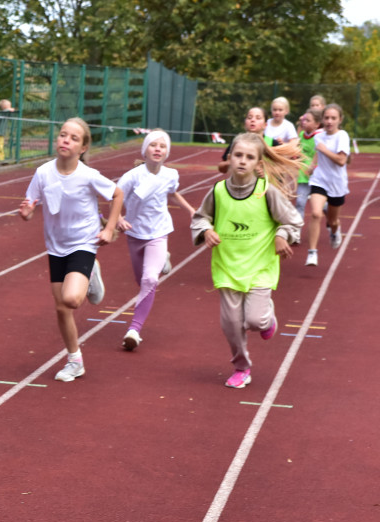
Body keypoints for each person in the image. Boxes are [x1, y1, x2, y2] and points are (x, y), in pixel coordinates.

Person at [190, 133, 303, 388]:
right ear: (230, 158)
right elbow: (200, 217)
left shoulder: (266, 192)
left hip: (261, 267)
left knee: (255, 321)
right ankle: (241, 367)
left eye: (249, 157)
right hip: (227, 268)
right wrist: (206, 231)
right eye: (238, 155)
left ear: (258, 164)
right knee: (230, 325)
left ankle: (268, 319)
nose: (242, 161)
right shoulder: (218, 192)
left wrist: (282, 235)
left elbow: (293, 220)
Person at [18, 117, 123, 382]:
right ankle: (75, 360)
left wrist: (109, 229)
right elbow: (31, 203)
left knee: (72, 299)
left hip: (83, 243)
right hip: (55, 246)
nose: (66, 140)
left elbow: (117, 194)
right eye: (63, 135)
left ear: (83, 147)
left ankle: (89, 273)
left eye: (74, 138)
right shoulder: (43, 172)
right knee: (62, 308)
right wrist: (28, 211)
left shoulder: (87, 176)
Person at [115, 130, 196, 350]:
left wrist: (190, 210)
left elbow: (173, 193)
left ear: (167, 152)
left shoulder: (170, 175)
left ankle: (134, 329)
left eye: (162, 146)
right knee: (140, 281)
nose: (158, 149)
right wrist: (119, 219)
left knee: (150, 280)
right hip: (135, 234)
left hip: (159, 232)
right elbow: (115, 198)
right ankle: (162, 260)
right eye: (153, 145)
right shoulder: (133, 176)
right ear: (145, 150)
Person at [307, 103, 350, 263]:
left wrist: (324, 150)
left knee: (333, 221)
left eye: (333, 118)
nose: (329, 121)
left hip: (337, 184)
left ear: (340, 120)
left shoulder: (342, 136)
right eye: (326, 118)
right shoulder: (318, 136)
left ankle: (334, 230)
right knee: (316, 213)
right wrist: (312, 165)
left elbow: (341, 160)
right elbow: (318, 153)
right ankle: (312, 252)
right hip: (319, 180)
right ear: (322, 119)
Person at [295, 108, 322, 265]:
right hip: (302, 176)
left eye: (308, 120)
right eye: (303, 120)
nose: (304, 123)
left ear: (317, 124)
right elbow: (297, 151)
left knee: (319, 209)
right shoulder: (300, 135)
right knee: (299, 203)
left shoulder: (319, 137)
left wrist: (313, 166)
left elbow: (319, 154)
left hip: (317, 177)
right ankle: (297, 232)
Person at [217, 107, 275, 174]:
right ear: (245, 123)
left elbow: (284, 167)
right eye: (249, 117)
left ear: (265, 125)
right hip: (241, 184)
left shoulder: (272, 143)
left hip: (266, 184)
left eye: (258, 118)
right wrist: (229, 163)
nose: (253, 120)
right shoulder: (238, 142)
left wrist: (268, 171)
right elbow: (221, 168)